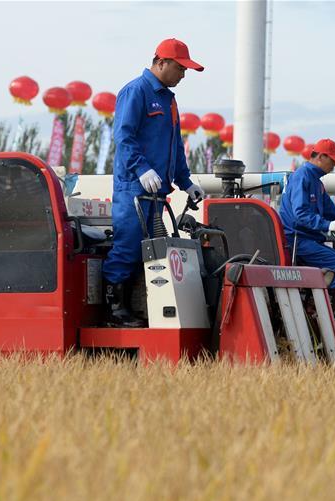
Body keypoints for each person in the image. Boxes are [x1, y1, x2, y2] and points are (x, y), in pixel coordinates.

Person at [101, 38, 206, 327]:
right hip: (134, 187)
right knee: (128, 247)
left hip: (156, 192)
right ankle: (113, 311)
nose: (183, 75)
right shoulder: (136, 91)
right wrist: (142, 169)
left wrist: (185, 182)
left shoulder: (169, 100)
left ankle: (136, 308)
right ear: (161, 62)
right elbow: (124, 136)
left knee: (149, 251)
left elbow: (175, 146)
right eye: (180, 68)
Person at [278, 138, 335, 290]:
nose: (334, 165)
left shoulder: (316, 182)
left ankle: (323, 299)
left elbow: (331, 211)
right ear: (321, 157)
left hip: (307, 241)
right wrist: (328, 225)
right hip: (297, 241)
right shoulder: (302, 177)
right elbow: (300, 214)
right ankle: (334, 308)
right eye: (333, 160)